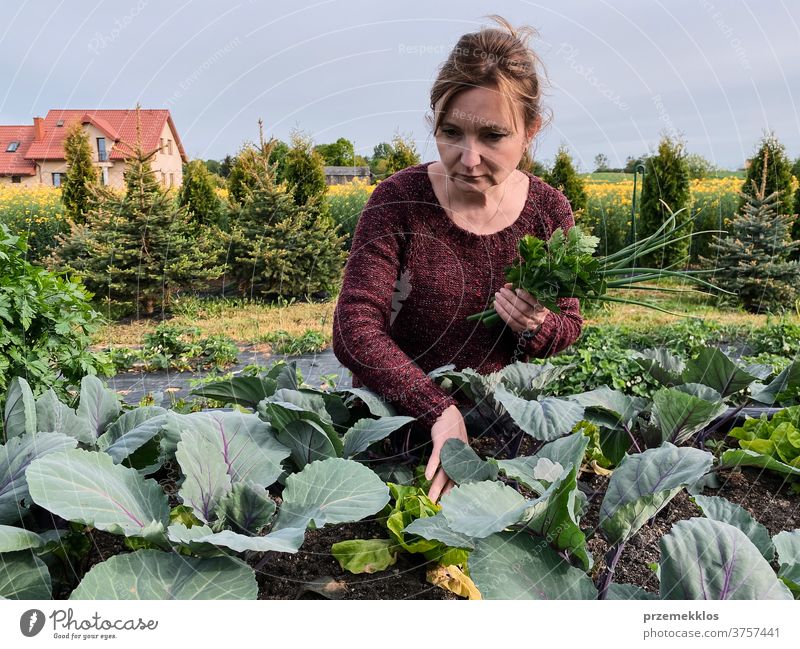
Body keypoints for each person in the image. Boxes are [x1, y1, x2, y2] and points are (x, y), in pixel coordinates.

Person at [332, 15, 583, 503]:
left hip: (497, 435)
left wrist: (537, 326)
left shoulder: (548, 210)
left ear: (529, 131)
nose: (469, 158)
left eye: (493, 136)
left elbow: (569, 326)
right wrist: (436, 409)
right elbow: (353, 327)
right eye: (452, 133)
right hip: (394, 424)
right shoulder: (398, 200)